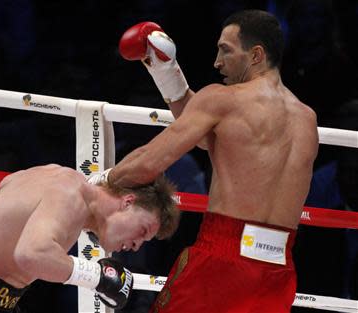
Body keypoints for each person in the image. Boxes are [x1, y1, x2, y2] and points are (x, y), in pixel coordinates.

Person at [95, 9, 319, 312]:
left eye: (226, 50)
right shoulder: (307, 120)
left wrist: (98, 182)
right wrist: (166, 71)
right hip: (278, 269)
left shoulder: (223, 100)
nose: (217, 62)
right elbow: (211, 136)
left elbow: (148, 162)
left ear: (256, 55)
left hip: (223, 256)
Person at [0, 163, 180, 312]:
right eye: (143, 231)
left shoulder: (63, 186)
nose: (136, 245)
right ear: (127, 202)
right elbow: (31, 255)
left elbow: (8, 185)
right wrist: (95, 276)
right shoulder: (69, 193)